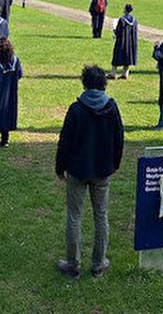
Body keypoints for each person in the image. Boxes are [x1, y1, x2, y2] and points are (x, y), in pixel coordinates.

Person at [55, 65, 124, 279]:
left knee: (74, 216)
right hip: (101, 169)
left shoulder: (77, 109)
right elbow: (119, 139)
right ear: (103, 83)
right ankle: (98, 262)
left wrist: (60, 166)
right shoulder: (110, 108)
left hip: (78, 168)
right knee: (100, 216)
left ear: (84, 83)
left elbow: (65, 141)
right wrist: (114, 164)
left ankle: (73, 263)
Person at [110, 4, 137, 79]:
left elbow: (118, 31)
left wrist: (114, 31)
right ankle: (125, 73)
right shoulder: (134, 20)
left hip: (121, 42)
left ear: (125, 9)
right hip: (130, 42)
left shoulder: (122, 20)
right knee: (128, 57)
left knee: (116, 56)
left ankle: (113, 73)